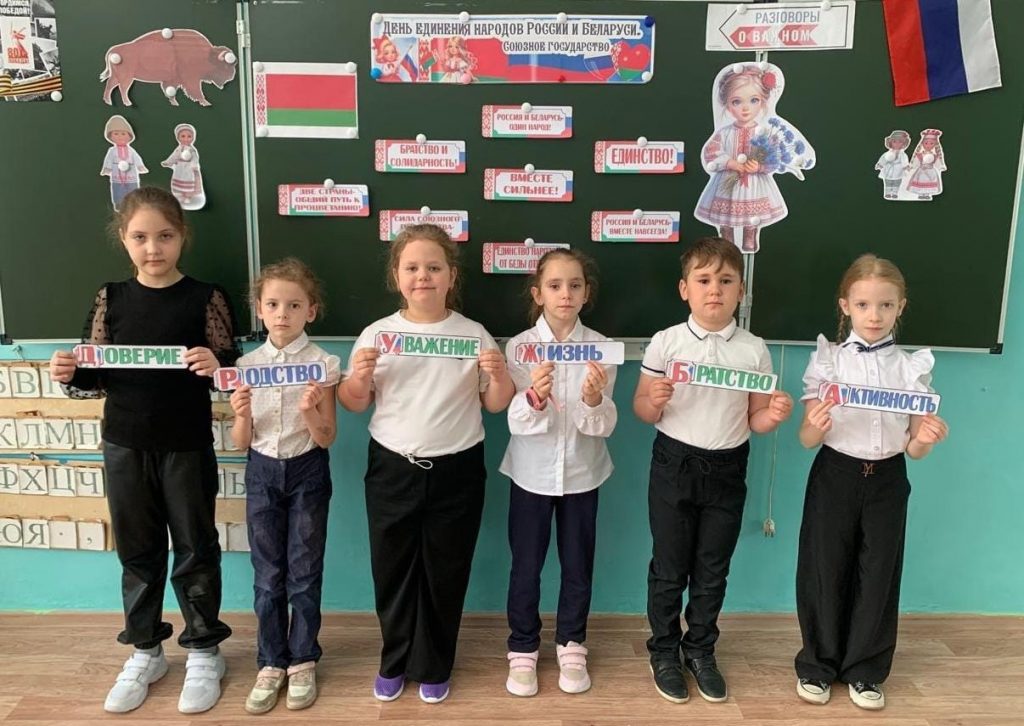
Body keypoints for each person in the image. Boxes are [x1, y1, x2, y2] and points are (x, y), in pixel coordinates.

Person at [48, 186, 237, 714]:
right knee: (137, 550)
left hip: (186, 443)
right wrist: (69, 371)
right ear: (124, 240)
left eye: (165, 236)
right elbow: (95, 371)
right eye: (140, 237)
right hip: (125, 443)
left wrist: (216, 364)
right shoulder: (111, 298)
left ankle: (204, 649)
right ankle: (146, 648)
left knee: (195, 547)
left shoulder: (206, 297)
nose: (153, 248)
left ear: (182, 237)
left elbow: (229, 369)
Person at [337, 223, 514, 704]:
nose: (423, 277)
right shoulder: (377, 334)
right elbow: (354, 402)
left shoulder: (474, 334)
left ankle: (435, 663)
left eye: (434, 267)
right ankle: (394, 659)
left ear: (451, 276)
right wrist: (359, 378)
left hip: (457, 470)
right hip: (392, 468)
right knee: (392, 568)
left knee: (446, 571)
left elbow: (496, 403)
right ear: (396, 276)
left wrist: (498, 375)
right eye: (412, 267)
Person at [633, 236, 793, 704]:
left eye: (726, 281)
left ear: (741, 290)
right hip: (673, 464)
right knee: (669, 568)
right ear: (685, 289)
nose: (715, 290)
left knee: (712, 570)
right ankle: (664, 650)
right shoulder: (667, 342)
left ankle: (700, 649)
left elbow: (755, 418)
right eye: (703, 280)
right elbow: (643, 408)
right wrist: (653, 400)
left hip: (727, 469)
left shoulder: (754, 350)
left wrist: (773, 415)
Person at [795, 254, 949, 710]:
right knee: (824, 569)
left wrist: (925, 439)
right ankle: (818, 664)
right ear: (845, 306)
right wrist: (815, 426)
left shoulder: (911, 368)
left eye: (885, 305)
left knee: (879, 571)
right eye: (863, 304)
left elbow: (914, 448)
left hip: (887, 478)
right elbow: (806, 439)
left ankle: (865, 669)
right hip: (835, 474)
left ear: (901, 307)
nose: (874, 315)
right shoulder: (828, 362)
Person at [501, 249, 617, 697]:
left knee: (577, 563)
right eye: (554, 285)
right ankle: (522, 646)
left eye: (574, 285)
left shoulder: (601, 349)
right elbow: (515, 421)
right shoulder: (519, 348)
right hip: (531, 473)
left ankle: (571, 642)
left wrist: (592, 399)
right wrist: (534, 396)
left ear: (587, 293)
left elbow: (602, 425)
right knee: (525, 565)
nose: (565, 294)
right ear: (538, 294)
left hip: (583, 474)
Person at [229, 258, 340, 713]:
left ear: (311, 310)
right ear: (259, 308)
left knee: (304, 571)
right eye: (273, 304)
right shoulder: (246, 365)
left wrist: (310, 410)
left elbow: (327, 436)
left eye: (294, 305)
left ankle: (303, 659)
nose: (282, 314)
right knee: (267, 575)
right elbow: (240, 442)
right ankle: (271, 661)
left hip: (307, 468)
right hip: (261, 470)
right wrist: (241, 414)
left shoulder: (323, 364)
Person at [694, 63, 813, 253]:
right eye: (736, 102)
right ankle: (727, 237)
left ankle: (750, 235)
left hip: (755, 184)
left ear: (763, 102)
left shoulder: (765, 133)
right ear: (727, 105)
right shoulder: (725, 133)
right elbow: (711, 152)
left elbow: (773, 159)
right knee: (727, 213)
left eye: (754, 100)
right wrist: (729, 162)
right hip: (727, 182)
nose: (745, 108)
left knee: (752, 214)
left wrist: (759, 166)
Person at [100, 115, 148, 211]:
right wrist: (107, 168)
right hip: (117, 175)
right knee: (117, 189)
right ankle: (118, 204)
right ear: (110, 136)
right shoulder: (112, 151)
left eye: (123, 134)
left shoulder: (131, 150)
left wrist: (140, 166)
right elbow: (108, 160)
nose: (120, 137)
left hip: (131, 174)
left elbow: (137, 158)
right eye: (116, 134)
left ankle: (133, 203)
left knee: (132, 189)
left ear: (129, 136)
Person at [161, 123, 203, 209]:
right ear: (178, 138)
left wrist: (194, 165)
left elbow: (195, 158)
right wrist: (168, 162)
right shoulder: (179, 149)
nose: (186, 139)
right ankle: (181, 194)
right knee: (179, 180)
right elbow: (174, 156)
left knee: (188, 181)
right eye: (183, 136)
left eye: (189, 136)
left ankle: (187, 196)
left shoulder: (192, 150)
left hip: (188, 168)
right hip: (180, 168)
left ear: (193, 138)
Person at [874, 130, 911, 200]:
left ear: (904, 144)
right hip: (888, 169)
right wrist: (880, 164)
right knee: (888, 181)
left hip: (898, 170)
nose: (897, 144)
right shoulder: (887, 153)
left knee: (897, 182)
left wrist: (906, 166)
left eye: (900, 142)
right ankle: (887, 193)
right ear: (890, 143)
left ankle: (894, 193)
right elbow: (884, 158)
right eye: (894, 142)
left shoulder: (902, 154)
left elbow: (904, 161)